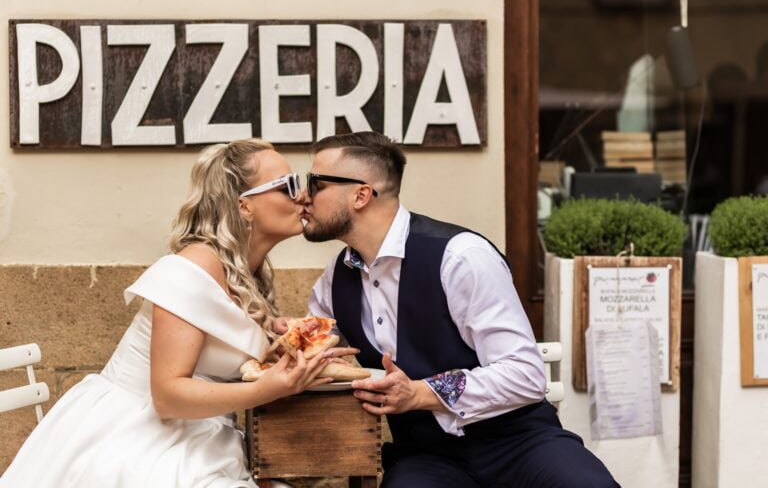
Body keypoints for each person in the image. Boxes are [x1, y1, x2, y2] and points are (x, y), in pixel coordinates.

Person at [0, 139, 354, 488]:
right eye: (288, 185)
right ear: (244, 206)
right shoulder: (193, 267)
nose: (304, 195)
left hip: (201, 437)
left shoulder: (249, 274)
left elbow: (218, 356)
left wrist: (280, 348)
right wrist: (268, 389)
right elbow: (167, 397)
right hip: (136, 436)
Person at [303, 131, 619, 487]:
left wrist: (421, 392)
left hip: (519, 443)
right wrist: (285, 339)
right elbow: (314, 349)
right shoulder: (336, 279)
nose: (303, 197)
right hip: (425, 457)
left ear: (361, 194)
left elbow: (526, 374)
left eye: (315, 184)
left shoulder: (460, 257)